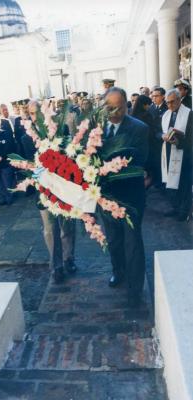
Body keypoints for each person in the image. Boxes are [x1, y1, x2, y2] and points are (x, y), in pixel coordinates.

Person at [99, 87, 149, 308]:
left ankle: (135, 291)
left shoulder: (139, 129)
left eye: (120, 106)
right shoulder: (96, 128)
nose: (115, 111)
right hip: (105, 198)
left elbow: (141, 162)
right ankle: (118, 272)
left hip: (130, 198)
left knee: (133, 244)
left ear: (127, 105)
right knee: (114, 241)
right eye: (110, 107)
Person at [31, 101, 77, 283]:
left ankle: (68, 259)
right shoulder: (26, 135)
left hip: (63, 188)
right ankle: (56, 266)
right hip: (42, 191)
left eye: (38, 113)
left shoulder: (62, 130)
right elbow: (26, 163)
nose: (36, 117)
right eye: (32, 114)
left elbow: (70, 156)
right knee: (50, 230)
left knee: (67, 227)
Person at [161, 88, 192, 221]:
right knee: (172, 183)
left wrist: (178, 142)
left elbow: (191, 138)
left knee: (184, 183)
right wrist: (162, 136)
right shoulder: (166, 114)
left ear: (179, 100)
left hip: (185, 154)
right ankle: (175, 207)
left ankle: (184, 211)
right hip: (169, 152)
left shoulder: (189, 114)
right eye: (167, 103)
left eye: (172, 102)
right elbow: (158, 130)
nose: (169, 105)